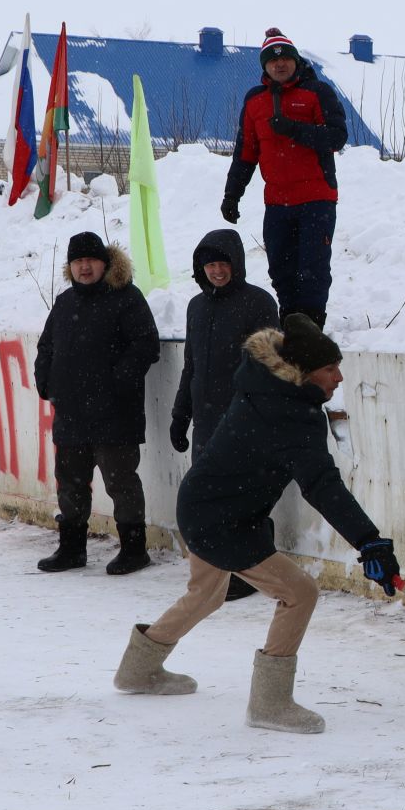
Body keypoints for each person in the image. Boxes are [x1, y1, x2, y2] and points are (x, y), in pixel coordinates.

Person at [112, 315, 400, 734]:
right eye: (330, 368)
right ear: (304, 372)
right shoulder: (290, 414)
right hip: (223, 520)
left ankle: (138, 669)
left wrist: (368, 542)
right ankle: (270, 703)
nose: (339, 376)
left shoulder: (268, 389)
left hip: (204, 505)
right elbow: (322, 485)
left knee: (206, 595)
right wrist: (369, 541)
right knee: (300, 592)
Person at [34, 231, 161, 576]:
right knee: (71, 483)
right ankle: (72, 548)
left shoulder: (126, 297)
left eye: (90, 260)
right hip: (72, 413)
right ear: (70, 267)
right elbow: (46, 347)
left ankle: (134, 549)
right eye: (77, 262)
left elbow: (146, 344)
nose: (84, 267)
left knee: (120, 483)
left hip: (114, 413)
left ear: (105, 263)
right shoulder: (65, 303)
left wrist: (118, 382)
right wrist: (45, 382)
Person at [170, 228, 279, 602]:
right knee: (208, 500)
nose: (216, 271)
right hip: (206, 420)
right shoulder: (196, 307)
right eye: (210, 265)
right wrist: (179, 414)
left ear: (237, 265)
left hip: (245, 421)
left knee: (246, 500)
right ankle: (220, 573)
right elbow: (191, 366)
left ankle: (255, 573)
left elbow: (269, 365)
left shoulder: (259, 303)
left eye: (223, 264)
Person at [219, 28, 348, 330]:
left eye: (286, 59)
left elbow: (337, 136)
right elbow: (246, 153)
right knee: (281, 268)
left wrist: (294, 129)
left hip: (316, 198)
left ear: (295, 60)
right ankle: (290, 323)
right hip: (277, 202)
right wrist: (231, 195)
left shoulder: (318, 92)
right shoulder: (255, 101)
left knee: (312, 268)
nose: (280, 65)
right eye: (272, 62)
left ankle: (312, 327)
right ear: (264, 67)